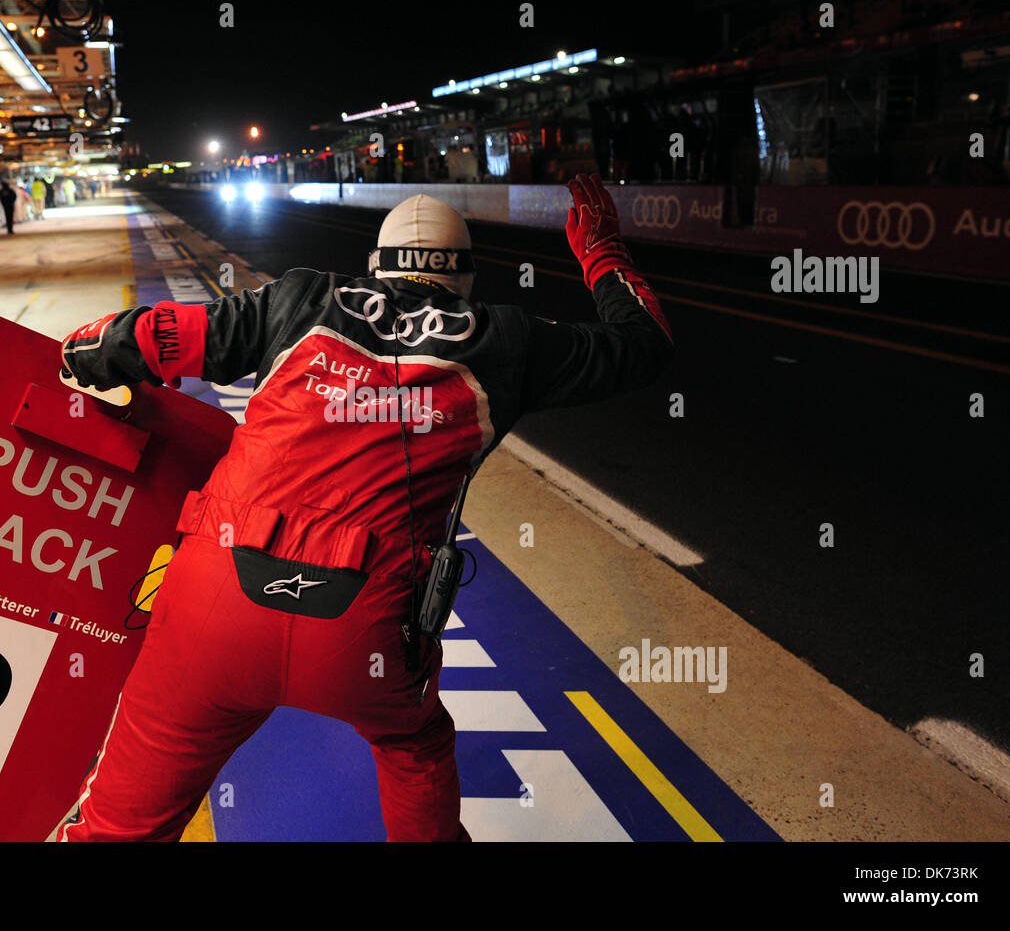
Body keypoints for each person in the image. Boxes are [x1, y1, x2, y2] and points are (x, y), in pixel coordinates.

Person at [56, 173, 674, 842]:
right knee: (415, 747)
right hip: (362, 630)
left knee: (121, 824)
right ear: (463, 277)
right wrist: (601, 250)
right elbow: (645, 346)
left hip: (218, 605)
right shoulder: (510, 343)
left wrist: (88, 353)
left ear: (376, 267)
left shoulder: (299, 299)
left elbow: (140, 340)